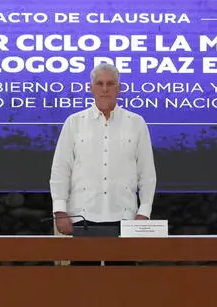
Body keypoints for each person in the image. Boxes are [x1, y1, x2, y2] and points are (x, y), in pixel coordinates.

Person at [50, 63, 157, 239]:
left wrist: (144, 212)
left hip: (125, 218)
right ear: (91, 88)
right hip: (81, 217)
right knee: (84, 267)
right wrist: (60, 211)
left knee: (122, 267)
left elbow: (147, 174)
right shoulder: (74, 122)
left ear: (119, 88)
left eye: (110, 83)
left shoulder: (136, 123)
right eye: (100, 83)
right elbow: (61, 170)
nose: (105, 89)